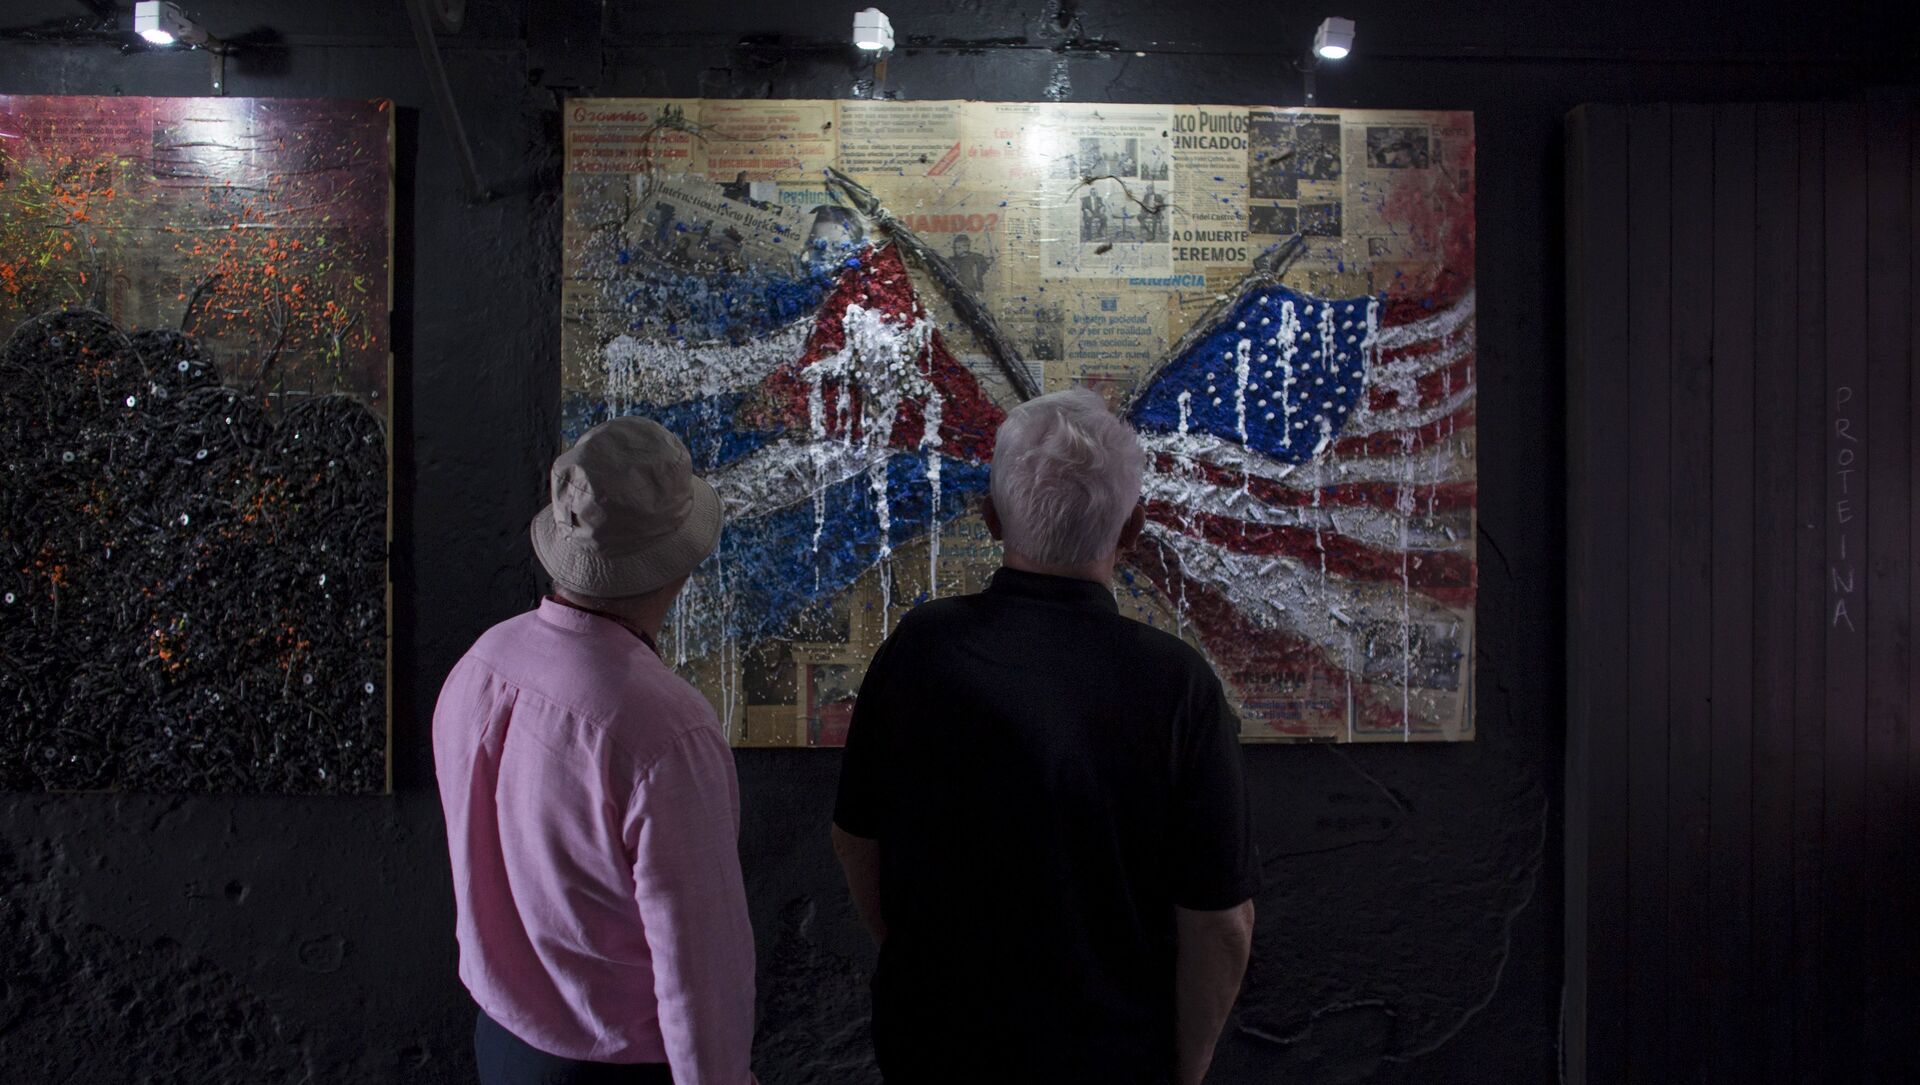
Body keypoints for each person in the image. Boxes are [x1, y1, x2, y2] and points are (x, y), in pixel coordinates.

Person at [832, 389, 1260, 1085]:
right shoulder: (1178, 685)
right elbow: (1221, 921)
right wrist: (1187, 1064)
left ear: (991, 517)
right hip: (1112, 1060)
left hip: (934, 1049)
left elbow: (856, 839)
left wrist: (914, 961)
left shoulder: (919, 649)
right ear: (1133, 528)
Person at [434, 417, 756, 1085]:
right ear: (680, 564)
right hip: (612, 1066)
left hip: (501, 1043)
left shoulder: (482, 663)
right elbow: (699, 966)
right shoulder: (665, 729)